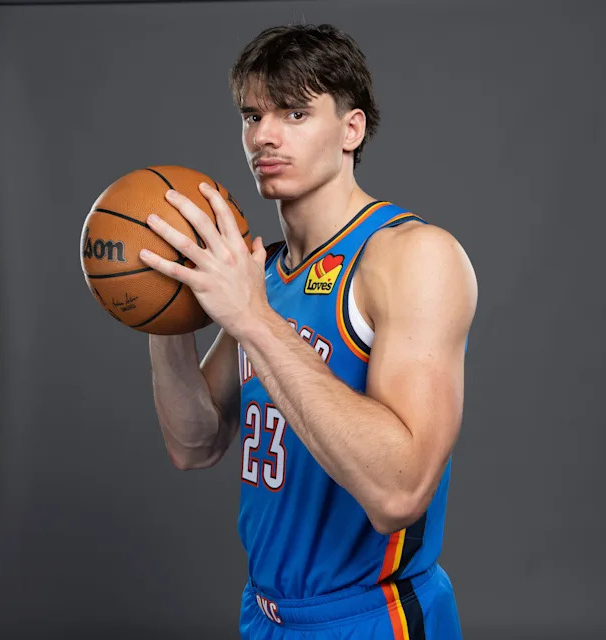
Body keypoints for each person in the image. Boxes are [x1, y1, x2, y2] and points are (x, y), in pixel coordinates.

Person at [141, 23, 477, 640]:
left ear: (352, 129)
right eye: (252, 116)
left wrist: (250, 318)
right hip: (265, 613)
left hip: (372, 618)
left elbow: (400, 493)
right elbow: (195, 445)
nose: (264, 135)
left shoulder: (410, 256)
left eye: (295, 112)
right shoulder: (260, 274)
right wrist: (164, 311)